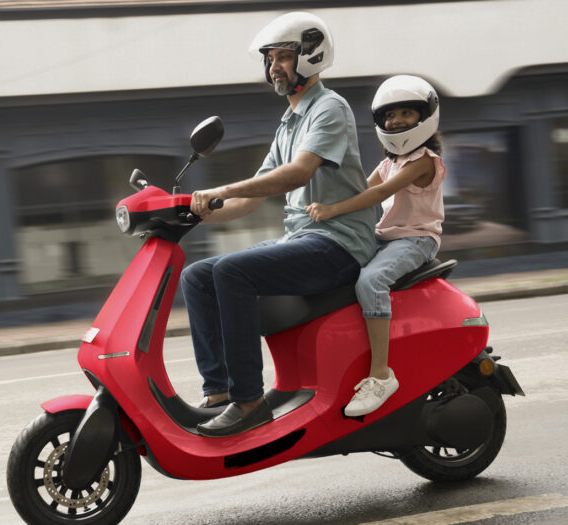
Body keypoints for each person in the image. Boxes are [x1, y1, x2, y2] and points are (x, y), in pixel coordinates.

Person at [181, 12, 377, 437]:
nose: (274, 67)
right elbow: (251, 199)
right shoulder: (289, 122)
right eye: (270, 59)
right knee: (197, 275)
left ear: (310, 56)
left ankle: (249, 399)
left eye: (284, 57)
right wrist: (190, 212)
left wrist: (222, 189)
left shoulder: (329, 109)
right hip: (304, 238)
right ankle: (216, 393)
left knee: (231, 272)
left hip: (339, 243)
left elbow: (297, 174)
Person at [306, 75, 446, 417]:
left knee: (371, 281)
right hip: (384, 237)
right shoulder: (388, 162)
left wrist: (332, 210)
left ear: (424, 117)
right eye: (389, 115)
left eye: (405, 113)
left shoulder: (424, 161)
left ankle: (381, 374)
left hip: (416, 239)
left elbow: (379, 194)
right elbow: (358, 192)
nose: (396, 121)